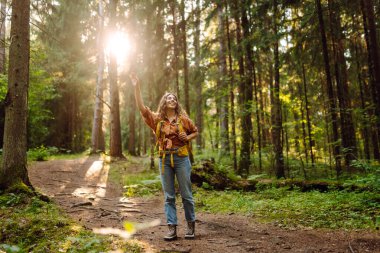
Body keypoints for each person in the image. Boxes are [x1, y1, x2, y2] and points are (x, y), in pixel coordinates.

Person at [129, 73, 198, 241]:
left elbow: (195, 131)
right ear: (164, 102)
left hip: (181, 158)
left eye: (174, 98)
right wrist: (136, 87)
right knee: (169, 196)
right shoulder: (157, 119)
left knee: (186, 194)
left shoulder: (183, 119)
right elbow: (142, 108)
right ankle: (172, 228)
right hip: (164, 159)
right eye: (168, 97)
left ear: (176, 103)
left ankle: (190, 225)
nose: (171, 99)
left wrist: (187, 138)